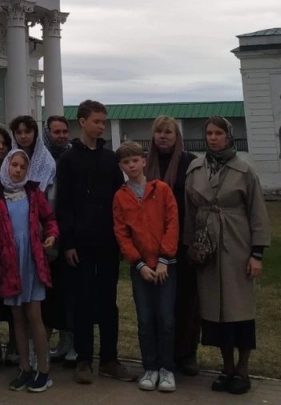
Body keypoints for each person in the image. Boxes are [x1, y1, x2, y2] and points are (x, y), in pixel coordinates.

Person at [183, 115, 271, 396]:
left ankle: (243, 370)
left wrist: (256, 254)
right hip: (206, 246)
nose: (212, 138)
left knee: (239, 310)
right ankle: (226, 368)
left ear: (228, 136)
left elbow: (258, 213)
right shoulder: (196, 169)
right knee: (215, 312)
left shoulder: (244, 171)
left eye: (218, 133)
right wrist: (190, 247)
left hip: (237, 245)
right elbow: (189, 212)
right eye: (209, 133)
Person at [53, 100, 132, 384]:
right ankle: (84, 359)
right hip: (79, 244)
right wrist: (69, 243)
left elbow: (119, 201)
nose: (101, 126)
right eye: (96, 121)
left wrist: (121, 240)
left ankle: (110, 358)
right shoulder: (68, 160)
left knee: (108, 302)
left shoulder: (110, 159)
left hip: (107, 241)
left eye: (103, 121)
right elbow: (63, 204)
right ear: (83, 121)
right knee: (83, 301)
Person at [0, 147, 58, 393]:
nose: (18, 170)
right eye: (14, 165)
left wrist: (52, 236)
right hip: (10, 263)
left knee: (34, 313)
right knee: (17, 318)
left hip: (32, 260)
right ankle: (24, 367)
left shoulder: (34, 193)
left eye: (23, 167)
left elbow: (50, 219)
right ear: (6, 166)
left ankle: (43, 370)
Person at [112, 141, 179, 393]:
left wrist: (164, 259)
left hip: (165, 266)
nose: (132, 165)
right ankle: (150, 367)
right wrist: (138, 264)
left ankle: (167, 369)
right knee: (145, 320)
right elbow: (122, 233)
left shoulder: (161, 189)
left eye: (135, 160)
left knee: (166, 319)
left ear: (143, 161)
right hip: (140, 268)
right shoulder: (120, 196)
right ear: (121, 166)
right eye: (126, 162)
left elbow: (172, 222)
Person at [145, 114, 199, 375]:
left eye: (168, 132)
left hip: (183, 241)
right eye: (159, 132)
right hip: (153, 243)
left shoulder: (188, 163)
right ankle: (161, 352)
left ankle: (186, 353)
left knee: (186, 300)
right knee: (159, 303)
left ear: (177, 137)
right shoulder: (146, 165)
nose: (163, 136)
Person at [43, 115, 74, 367]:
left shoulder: (72, 156)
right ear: (48, 133)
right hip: (46, 233)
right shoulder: (40, 160)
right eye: (56, 132)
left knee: (70, 290)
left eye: (64, 131)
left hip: (69, 232)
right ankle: (50, 343)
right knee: (50, 292)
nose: (61, 136)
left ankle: (70, 342)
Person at [10, 115, 57, 193]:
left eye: (27, 132)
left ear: (35, 133)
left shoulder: (46, 160)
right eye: (18, 132)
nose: (23, 136)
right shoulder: (9, 159)